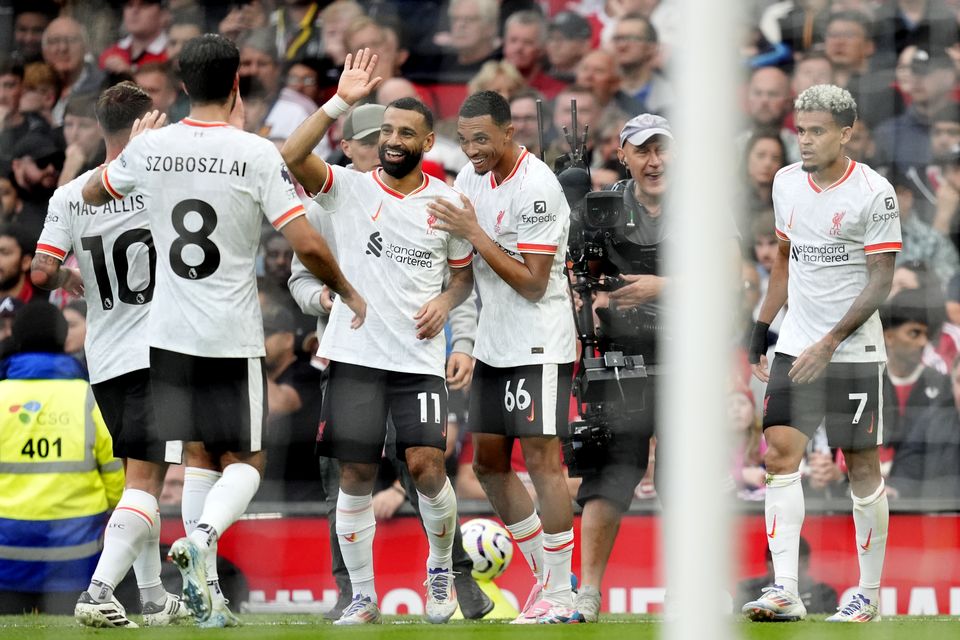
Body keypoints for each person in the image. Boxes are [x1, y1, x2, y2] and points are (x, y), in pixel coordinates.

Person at [81, 33, 364, 626]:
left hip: (164, 338)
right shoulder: (254, 153)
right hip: (230, 335)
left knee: (192, 459)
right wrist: (346, 289)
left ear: (182, 85)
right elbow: (306, 242)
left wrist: (133, 159)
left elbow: (92, 190)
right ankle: (207, 536)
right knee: (248, 461)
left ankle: (195, 595)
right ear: (238, 83)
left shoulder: (151, 147)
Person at [281, 49, 474, 626]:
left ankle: (439, 572)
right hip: (352, 356)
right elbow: (291, 155)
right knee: (355, 474)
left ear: (427, 140)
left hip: (416, 360)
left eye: (404, 132)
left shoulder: (449, 202)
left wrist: (444, 300)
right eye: (386, 129)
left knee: (426, 468)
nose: (392, 140)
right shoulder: (348, 189)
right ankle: (362, 596)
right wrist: (342, 99)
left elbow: (462, 277)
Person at [31, 80, 189, 628]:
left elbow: (38, 273)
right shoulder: (164, 180)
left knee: (134, 480)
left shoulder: (68, 195)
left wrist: (70, 274)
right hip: (159, 354)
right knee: (147, 483)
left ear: (99, 127)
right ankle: (99, 590)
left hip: (104, 357)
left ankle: (150, 595)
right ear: (147, 123)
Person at [745, 84, 902, 623]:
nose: (804, 141)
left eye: (816, 131)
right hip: (795, 346)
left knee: (859, 464)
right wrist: (762, 325)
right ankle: (784, 588)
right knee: (778, 456)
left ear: (845, 132)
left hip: (854, 350)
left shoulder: (874, 193)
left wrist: (830, 342)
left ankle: (868, 594)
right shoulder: (786, 184)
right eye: (800, 130)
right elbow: (786, 261)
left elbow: (881, 283)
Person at [427, 90, 577, 624]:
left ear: (509, 132)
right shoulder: (469, 181)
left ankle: (561, 596)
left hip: (539, 341)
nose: (472, 150)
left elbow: (535, 285)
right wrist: (445, 303)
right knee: (488, 465)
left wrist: (475, 232)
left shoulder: (537, 187)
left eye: (482, 139)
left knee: (542, 460)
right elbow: (465, 274)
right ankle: (552, 578)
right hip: (492, 342)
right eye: (465, 140)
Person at [0, 300, 123, 614]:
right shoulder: (87, 397)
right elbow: (115, 476)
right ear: (62, 337)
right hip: (76, 559)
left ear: (16, 337)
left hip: (5, 559)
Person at [736, 537, 839, 614]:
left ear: (806, 562)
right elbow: (740, 619)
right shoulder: (748, 588)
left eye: (788, 561)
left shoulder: (825, 593)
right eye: (771, 559)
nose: (775, 565)